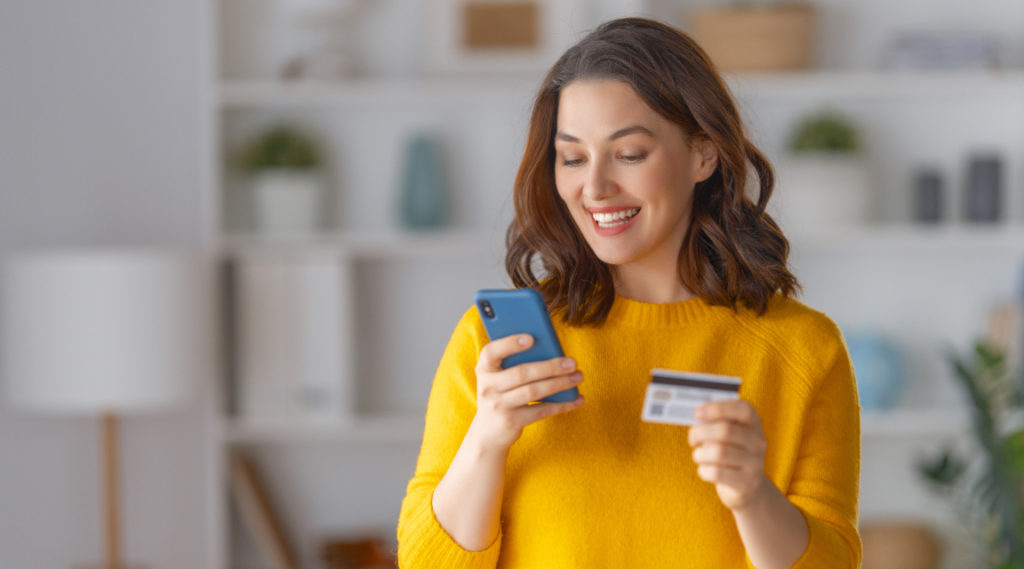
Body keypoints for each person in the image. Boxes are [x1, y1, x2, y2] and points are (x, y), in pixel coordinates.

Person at [396, 17, 860, 569]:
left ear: (703, 155)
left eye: (630, 154)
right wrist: (487, 441)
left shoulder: (804, 351)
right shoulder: (499, 349)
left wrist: (752, 496)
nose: (594, 188)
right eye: (572, 158)